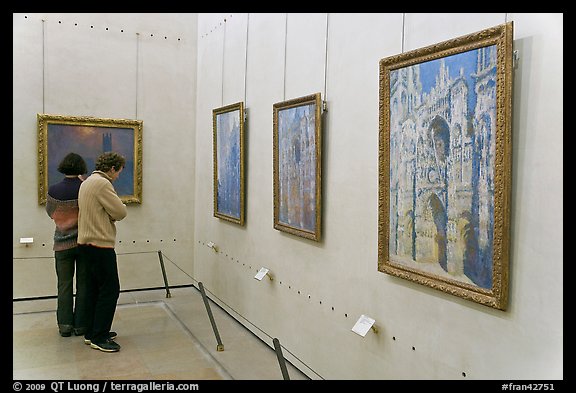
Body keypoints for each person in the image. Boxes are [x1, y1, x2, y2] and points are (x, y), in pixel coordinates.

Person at [78, 152, 128, 352]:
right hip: (100, 245)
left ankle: (92, 332)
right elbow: (120, 212)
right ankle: (100, 337)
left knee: (93, 290)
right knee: (109, 290)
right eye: (118, 172)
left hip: (85, 244)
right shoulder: (103, 183)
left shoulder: (88, 182)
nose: (118, 176)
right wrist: (114, 214)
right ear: (113, 168)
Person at [45, 152, 89, 337]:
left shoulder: (54, 190)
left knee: (64, 285)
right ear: (80, 168)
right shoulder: (85, 188)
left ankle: (64, 326)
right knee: (84, 285)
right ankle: (81, 326)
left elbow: (50, 213)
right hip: (84, 243)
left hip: (61, 245)